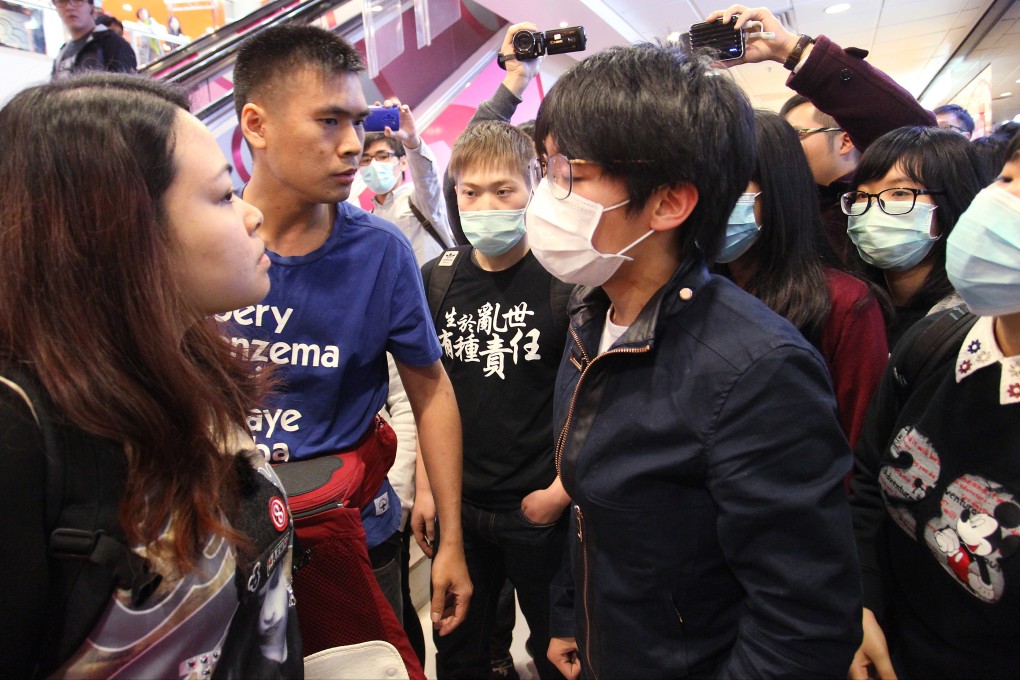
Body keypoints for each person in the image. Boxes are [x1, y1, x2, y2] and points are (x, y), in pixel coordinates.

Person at [533, 43, 862, 679]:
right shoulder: (589, 313)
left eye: (569, 172)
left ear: (668, 203)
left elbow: (803, 620)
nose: (549, 193)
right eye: (546, 167)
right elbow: (590, 510)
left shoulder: (756, 370)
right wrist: (571, 616)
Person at [0, 74, 299, 678]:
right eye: (221, 197)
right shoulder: (22, 432)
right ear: (123, 230)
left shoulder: (189, 369)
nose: (251, 214)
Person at [228, 23, 470, 652]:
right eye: (329, 122)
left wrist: (451, 541)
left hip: (356, 534)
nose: (353, 146)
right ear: (257, 124)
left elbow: (431, 391)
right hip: (229, 540)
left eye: (358, 124)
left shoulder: (381, 251)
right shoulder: (204, 241)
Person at [849, 134, 1020, 679]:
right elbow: (867, 478)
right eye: (1010, 179)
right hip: (890, 640)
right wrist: (861, 600)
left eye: (900, 193)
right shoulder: (938, 340)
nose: (1005, 203)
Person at [418, 120, 570, 679]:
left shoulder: (565, 280)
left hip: (539, 512)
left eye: (503, 190)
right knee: (459, 651)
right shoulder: (438, 279)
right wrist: (427, 488)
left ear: (533, 185)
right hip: (460, 509)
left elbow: (592, 400)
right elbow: (426, 393)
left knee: (561, 651)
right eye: (470, 192)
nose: (485, 205)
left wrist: (558, 493)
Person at [715, 109, 889, 449]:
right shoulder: (695, 290)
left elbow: (859, 442)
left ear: (777, 188)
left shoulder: (844, 303)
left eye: (730, 184)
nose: (712, 202)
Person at [712, 4, 935, 267]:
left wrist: (790, 50)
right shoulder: (787, 206)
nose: (785, 146)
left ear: (845, 139)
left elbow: (917, 136)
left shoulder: (869, 213)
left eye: (799, 135)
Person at [841, 126, 986, 346]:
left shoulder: (980, 320)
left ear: (954, 200)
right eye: (862, 195)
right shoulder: (850, 306)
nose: (873, 208)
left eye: (900, 193)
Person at [360, 100, 454, 265]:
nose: (373, 165)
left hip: (438, 288)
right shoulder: (369, 218)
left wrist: (411, 140)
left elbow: (426, 175)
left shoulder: (419, 198)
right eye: (366, 159)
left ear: (403, 162)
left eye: (383, 156)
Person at [51, 0, 136, 79]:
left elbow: (126, 89)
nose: (69, 7)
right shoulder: (62, 53)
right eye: (62, 1)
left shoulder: (114, 43)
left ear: (91, 5)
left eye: (77, 0)